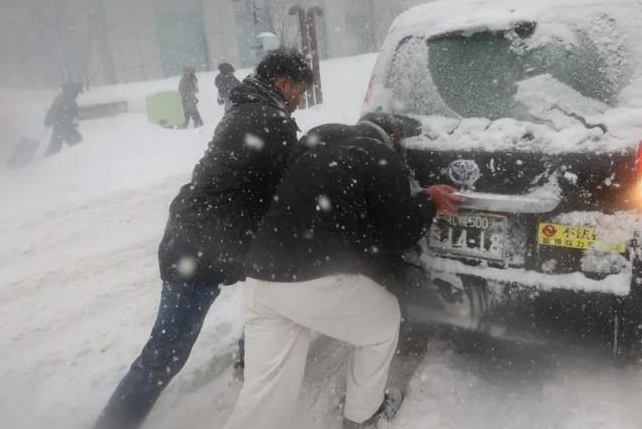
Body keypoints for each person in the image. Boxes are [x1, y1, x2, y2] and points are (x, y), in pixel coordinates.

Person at [94, 49, 314, 429]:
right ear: (283, 83)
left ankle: (251, 356)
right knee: (166, 353)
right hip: (200, 248)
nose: (300, 99)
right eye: (299, 90)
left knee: (265, 288)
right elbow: (290, 185)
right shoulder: (270, 120)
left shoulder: (247, 106)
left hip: (203, 236)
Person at [223, 114, 464, 429]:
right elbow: (398, 233)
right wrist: (428, 201)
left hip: (260, 276)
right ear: (391, 137)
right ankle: (364, 414)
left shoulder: (314, 143)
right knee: (385, 321)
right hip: (309, 279)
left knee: (264, 392)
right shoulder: (381, 155)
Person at [43, 82, 83, 156]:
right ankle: (79, 156)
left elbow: (52, 110)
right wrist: (74, 121)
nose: (77, 95)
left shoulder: (60, 98)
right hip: (64, 125)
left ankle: (48, 157)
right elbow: (73, 115)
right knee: (76, 141)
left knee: (56, 143)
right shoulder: (69, 100)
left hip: (59, 124)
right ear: (72, 91)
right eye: (76, 92)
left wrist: (47, 121)